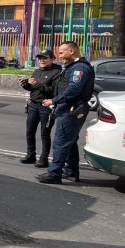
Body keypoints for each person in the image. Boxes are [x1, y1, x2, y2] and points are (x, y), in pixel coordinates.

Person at [36, 41, 94, 184]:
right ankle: (71, 172)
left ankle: (54, 173)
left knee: (61, 142)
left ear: (72, 51)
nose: (59, 55)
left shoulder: (79, 68)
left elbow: (73, 89)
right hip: (68, 108)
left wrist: (54, 100)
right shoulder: (72, 66)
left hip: (72, 110)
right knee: (70, 141)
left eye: (62, 52)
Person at [18, 50, 62, 168]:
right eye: (40, 58)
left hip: (46, 106)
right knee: (30, 131)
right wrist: (25, 84)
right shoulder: (37, 71)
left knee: (45, 133)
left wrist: (38, 85)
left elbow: (54, 92)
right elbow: (33, 89)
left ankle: (44, 159)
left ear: (52, 59)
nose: (42, 60)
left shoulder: (57, 72)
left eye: (45, 58)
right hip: (33, 105)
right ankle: (30, 154)